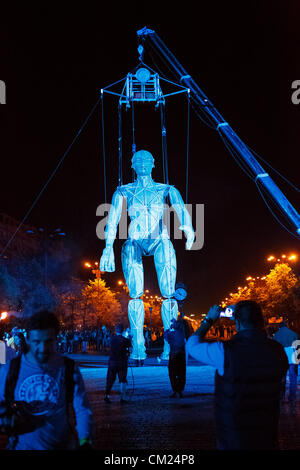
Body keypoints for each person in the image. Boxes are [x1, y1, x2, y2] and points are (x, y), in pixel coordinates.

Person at [186, 300, 288, 450]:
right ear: (261, 321)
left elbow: (192, 346)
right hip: (267, 435)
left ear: (237, 323)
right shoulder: (278, 351)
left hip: (234, 436)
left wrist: (209, 320)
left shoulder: (224, 351)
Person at [0, 311, 93, 450]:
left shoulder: (68, 368)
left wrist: (85, 441)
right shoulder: (10, 370)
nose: (43, 349)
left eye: (48, 342)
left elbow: (82, 409)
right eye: (37, 342)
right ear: (29, 339)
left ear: (56, 339)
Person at [273, 321, 299, 408]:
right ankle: (292, 397)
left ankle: (281, 396)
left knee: (281, 378)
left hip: (281, 359)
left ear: (279, 327)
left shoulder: (276, 335)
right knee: (293, 379)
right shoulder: (294, 334)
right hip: (292, 358)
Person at [104, 324, 132, 403]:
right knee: (122, 380)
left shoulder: (111, 339)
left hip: (112, 361)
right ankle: (122, 398)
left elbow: (107, 347)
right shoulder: (126, 340)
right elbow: (131, 350)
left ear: (116, 330)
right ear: (123, 331)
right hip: (122, 362)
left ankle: (107, 395)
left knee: (110, 379)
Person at [164, 318, 187, 398]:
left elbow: (165, 336)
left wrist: (169, 328)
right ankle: (180, 390)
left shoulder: (171, 334)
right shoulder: (182, 333)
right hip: (181, 355)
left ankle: (175, 390)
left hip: (173, 356)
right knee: (181, 373)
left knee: (173, 374)